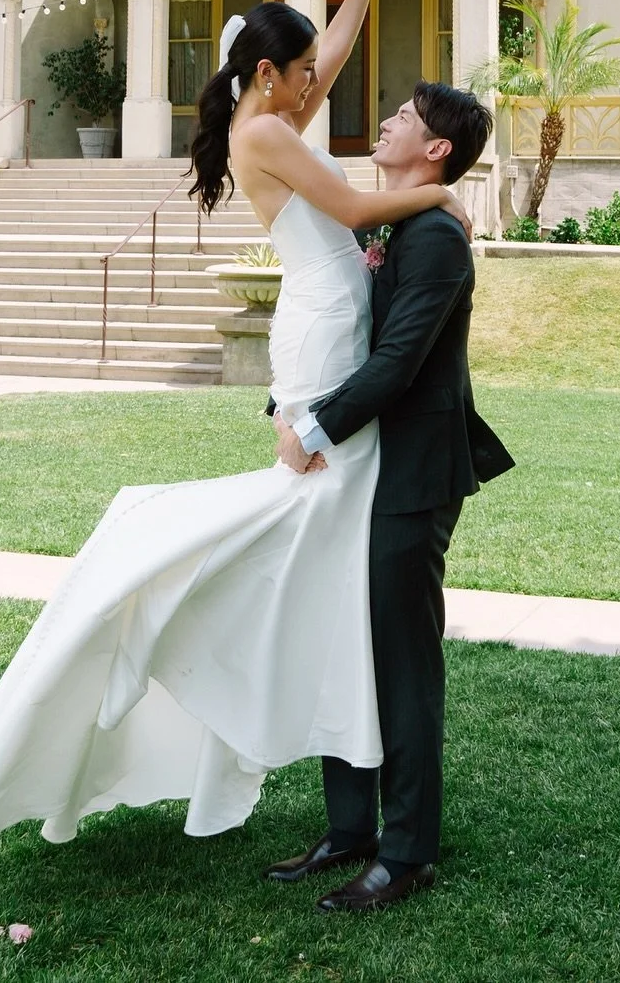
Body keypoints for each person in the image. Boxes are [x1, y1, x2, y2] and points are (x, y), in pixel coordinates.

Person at [0, 0, 478, 855]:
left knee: (324, 549)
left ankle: (347, 786)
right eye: (303, 70)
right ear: (270, 76)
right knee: (313, 527)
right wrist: (442, 192)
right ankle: (221, 633)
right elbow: (351, 209)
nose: (322, 81)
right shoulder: (267, 130)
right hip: (322, 327)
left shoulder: (269, 114)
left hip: (330, 321)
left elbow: (335, 49)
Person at [264, 79, 513, 911]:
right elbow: (343, 328)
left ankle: (406, 851)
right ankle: (350, 828)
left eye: (405, 117)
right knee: (343, 640)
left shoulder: (438, 236)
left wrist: (316, 428)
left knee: (403, 664)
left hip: (413, 471)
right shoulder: (392, 223)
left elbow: (398, 361)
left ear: (437, 149)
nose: (389, 120)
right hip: (362, 464)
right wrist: (290, 404)